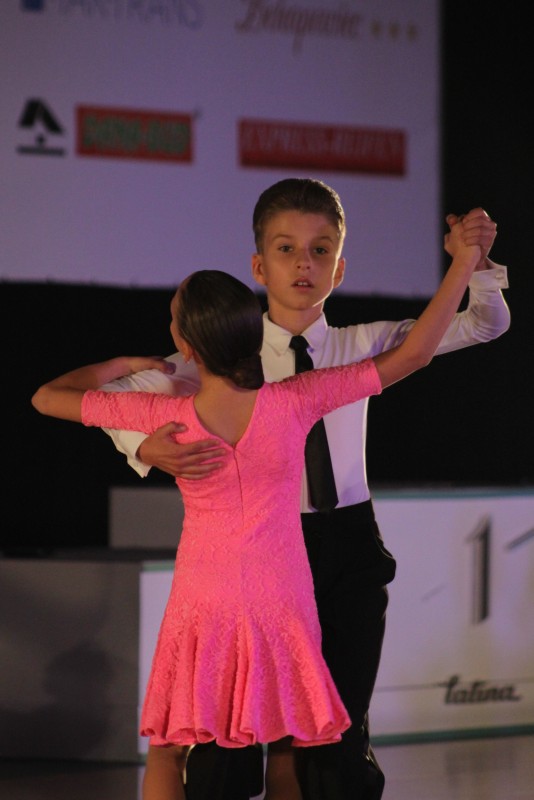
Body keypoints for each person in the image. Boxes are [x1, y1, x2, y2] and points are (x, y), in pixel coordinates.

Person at [33, 219, 486, 799]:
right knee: (289, 740)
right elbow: (418, 352)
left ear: (188, 346)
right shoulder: (295, 400)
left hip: (205, 600)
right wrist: (464, 262)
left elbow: (47, 397)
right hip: (282, 596)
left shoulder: (164, 414)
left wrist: (122, 363)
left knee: (172, 746)